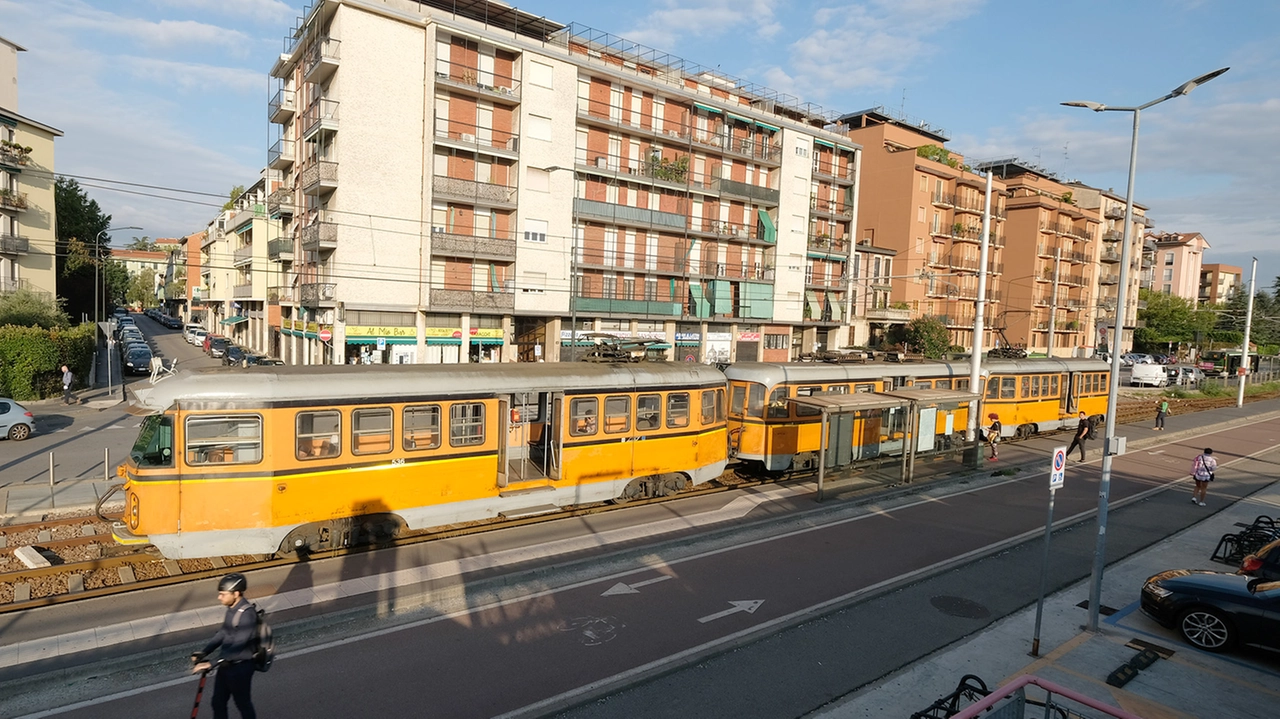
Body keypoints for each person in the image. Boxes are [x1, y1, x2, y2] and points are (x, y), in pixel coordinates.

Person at [192, 573, 258, 719]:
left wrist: (210, 663)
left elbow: (237, 647)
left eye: (223, 594)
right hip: (226, 664)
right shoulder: (232, 608)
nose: (219, 597)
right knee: (218, 703)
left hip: (241, 668)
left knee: (243, 704)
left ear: (236, 593)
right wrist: (204, 652)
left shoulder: (247, 614)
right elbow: (223, 633)